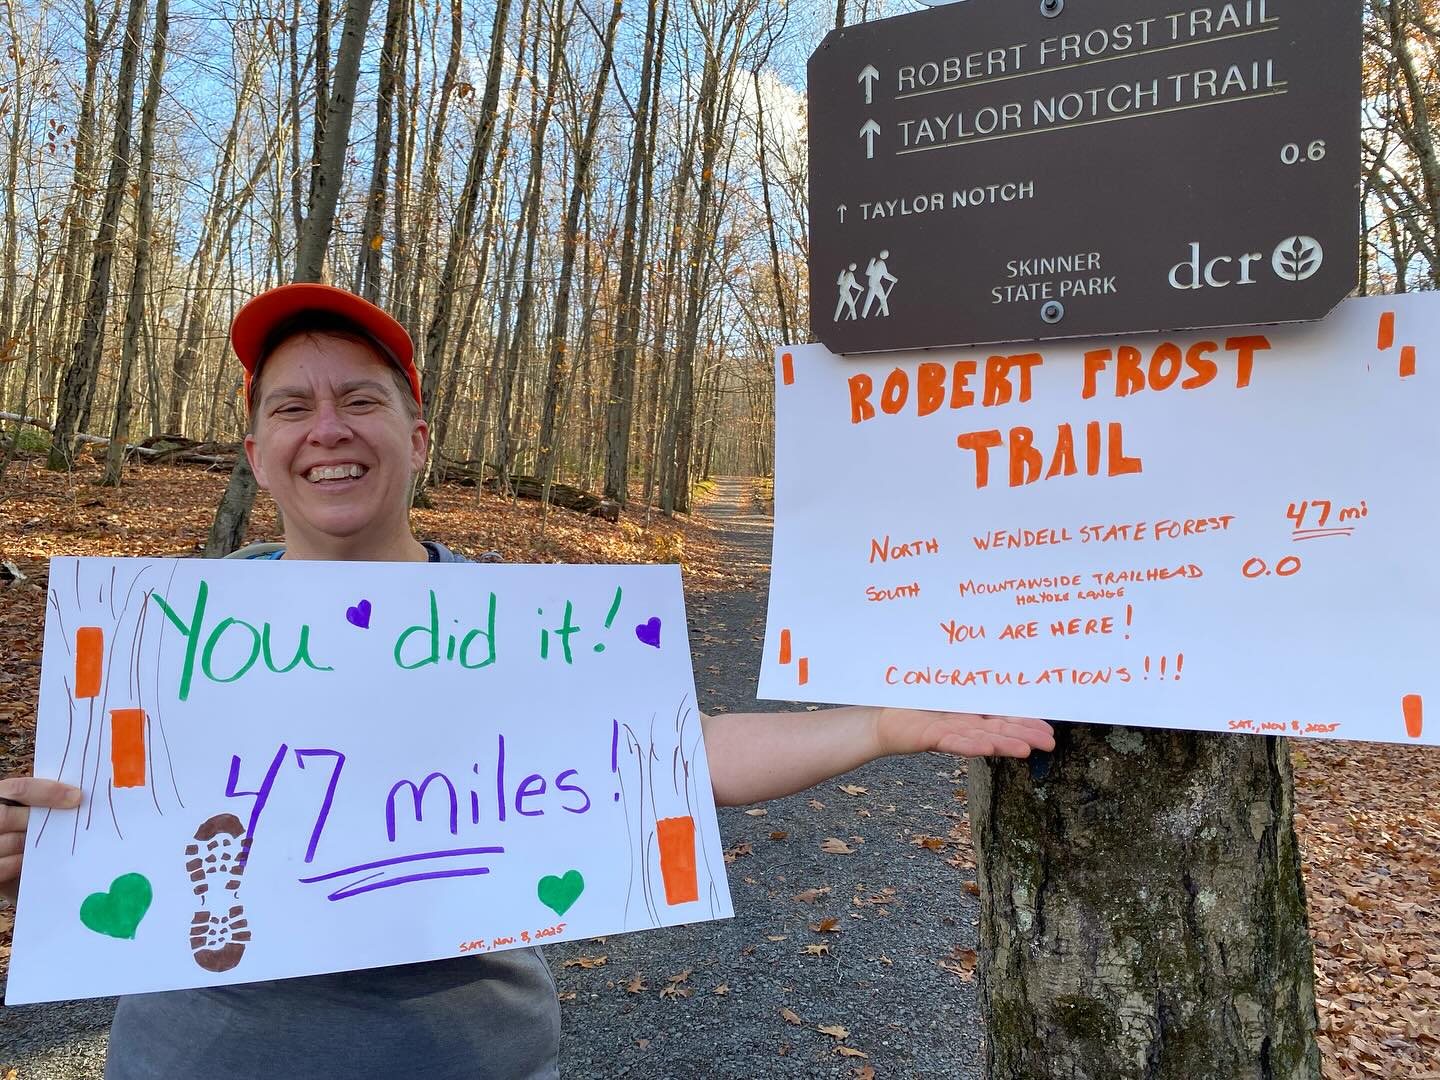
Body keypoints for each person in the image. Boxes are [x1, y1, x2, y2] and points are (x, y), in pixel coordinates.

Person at [0, 284, 1054, 1078]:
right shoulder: (164, 631)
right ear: (257, 450)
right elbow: (89, 814)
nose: (326, 428)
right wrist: (31, 843)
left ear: (415, 440)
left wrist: (878, 724)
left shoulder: (518, 626)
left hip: (466, 1060)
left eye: (359, 400)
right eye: (292, 407)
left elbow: (675, 752)